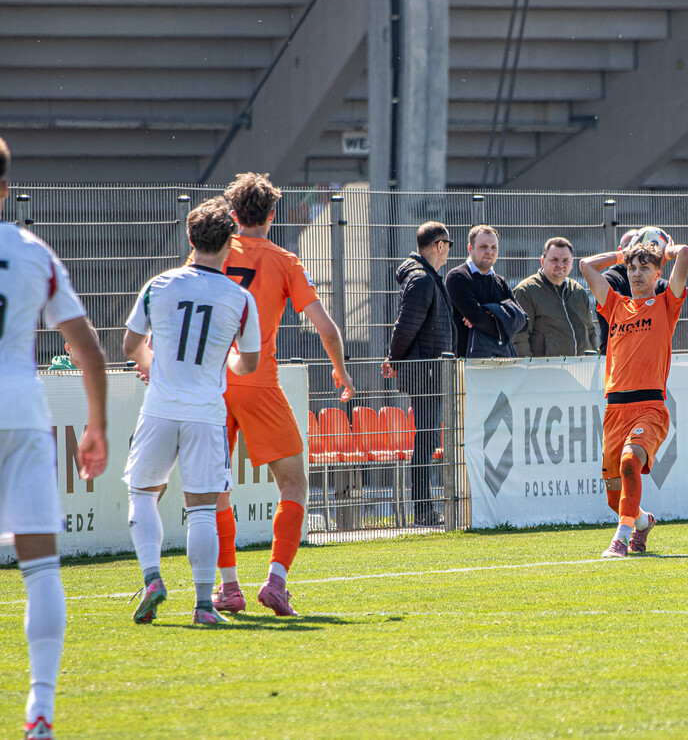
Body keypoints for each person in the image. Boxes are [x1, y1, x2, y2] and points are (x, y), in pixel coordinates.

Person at [207, 172, 354, 618]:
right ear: (271, 216)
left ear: (233, 216)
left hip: (211, 383)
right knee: (293, 482)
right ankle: (276, 581)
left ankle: (228, 587)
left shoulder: (211, 251)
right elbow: (326, 327)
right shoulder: (284, 260)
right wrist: (341, 371)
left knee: (216, 488)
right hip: (258, 381)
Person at [0, 135, 108, 740]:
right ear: (6, 189)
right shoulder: (33, 251)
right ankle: (40, 711)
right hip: (20, 413)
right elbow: (86, 346)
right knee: (39, 569)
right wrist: (97, 425)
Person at [123, 197, 261, 628]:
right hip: (205, 413)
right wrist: (228, 364)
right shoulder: (239, 298)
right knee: (202, 508)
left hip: (160, 408)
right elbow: (249, 362)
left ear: (189, 238)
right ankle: (203, 605)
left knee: (143, 494)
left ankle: (151, 579)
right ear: (231, 241)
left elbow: (130, 348)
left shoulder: (159, 285)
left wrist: (153, 369)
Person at [579, 233, 688, 558]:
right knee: (615, 498)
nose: (637, 274)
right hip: (615, 411)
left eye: (645, 268)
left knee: (631, 462)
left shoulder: (667, 304)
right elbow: (585, 266)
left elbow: (684, 252)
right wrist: (622, 253)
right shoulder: (615, 304)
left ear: (658, 274)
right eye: (633, 268)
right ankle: (642, 522)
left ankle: (620, 540)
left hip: (649, 408)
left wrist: (663, 254)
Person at [381, 221, 457, 527]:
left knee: (427, 441)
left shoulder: (425, 278)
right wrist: (393, 359)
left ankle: (426, 509)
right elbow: (406, 326)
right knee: (425, 443)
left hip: (430, 370)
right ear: (439, 246)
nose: (448, 250)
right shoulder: (423, 279)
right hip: (426, 371)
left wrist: (394, 359)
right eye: (448, 244)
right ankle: (424, 511)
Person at [445, 224, 525, 358]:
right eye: (483, 247)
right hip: (467, 364)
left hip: (502, 364)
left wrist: (488, 311)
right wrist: (505, 318)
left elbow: (523, 321)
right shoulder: (457, 277)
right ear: (470, 248)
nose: (489, 251)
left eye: (494, 247)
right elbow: (477, 318)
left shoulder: (501, 282)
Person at [512, 237, 597, 357]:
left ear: (572, 263)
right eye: (554, 260)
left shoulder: (578, 291)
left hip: (580, 370)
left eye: (565, 260)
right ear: (542, 261)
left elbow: (590, 331)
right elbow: (519, 337)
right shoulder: (526, 291)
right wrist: (528, 371)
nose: (560, 265)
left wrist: (593, 361)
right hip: (545, 371)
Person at [596, 229, 669, 354]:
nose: (635, 249)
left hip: (652, 358)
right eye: (629, 246)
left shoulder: (662, 284)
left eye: (640, 245)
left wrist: (665, 256)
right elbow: (629, 315)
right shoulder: (610, 278)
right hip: (614, 357)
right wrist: (626, 255)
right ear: (621, 250)